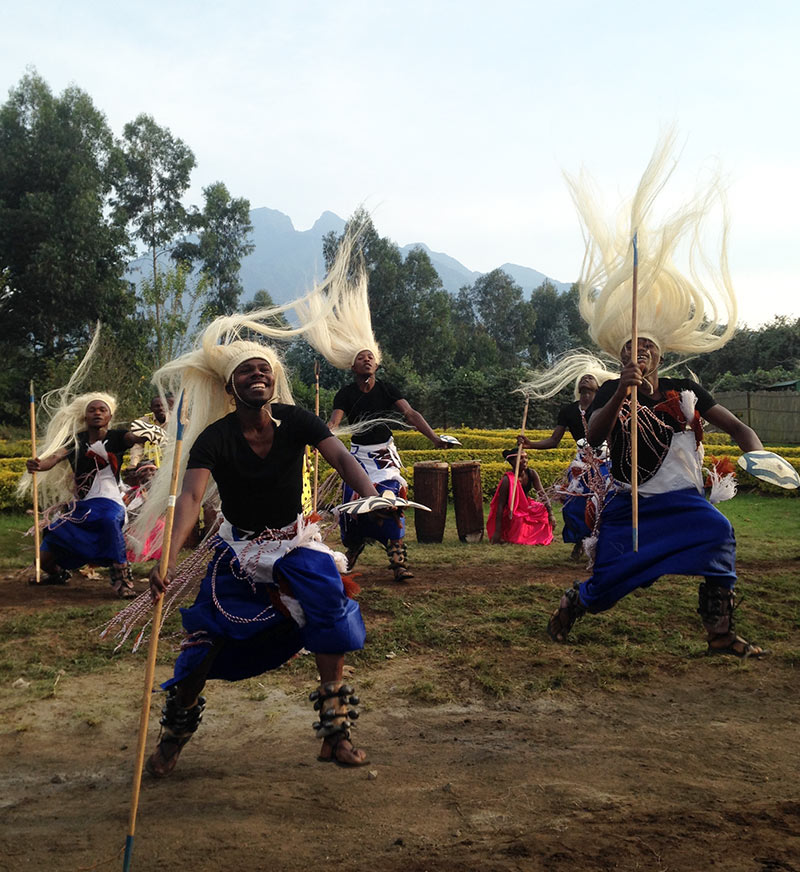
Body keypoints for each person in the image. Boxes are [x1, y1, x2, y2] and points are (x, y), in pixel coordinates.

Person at [110, 241, 390, 777]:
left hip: (294, 542)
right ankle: (173, 737)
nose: (258, 375)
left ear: (272, 380)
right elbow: (191, 498)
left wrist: (370, 493)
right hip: (237, 552)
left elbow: (342, 459)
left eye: (264, 370)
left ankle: (335, 732)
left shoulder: (296, 421)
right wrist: (166, 558)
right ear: (231, 385)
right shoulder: (214, 439)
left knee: (329, 606)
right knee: (203, 647)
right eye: (246, 371)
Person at [545, 130, 768, 658]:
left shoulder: (684, 390)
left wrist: (758, 455)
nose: (638, 356)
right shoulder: (607, 392)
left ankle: (719, 633)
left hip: (684, 502)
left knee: (719, 538)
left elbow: (736, 428)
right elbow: (596, 440)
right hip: (632, 501)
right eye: (630, 350)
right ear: (619, 356)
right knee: (615, 582)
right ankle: (576, 603)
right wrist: (620, 394)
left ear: (660, 357)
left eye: (646, 350)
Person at [293, 234, 451, 582]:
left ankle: (398, 560)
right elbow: (333, 424)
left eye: (371, 357)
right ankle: (352, 551)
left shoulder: (388, 389)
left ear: (376, 364)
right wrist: (318, 438)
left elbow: (410, 415)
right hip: (357, 457)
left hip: (384, 457)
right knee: (355, 509)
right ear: (353, 366)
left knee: (389, 500)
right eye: (361, 357)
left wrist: (434, 438)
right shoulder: (346, 394)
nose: (367, 360)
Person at [22, 393, 147, 596]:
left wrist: (145, 434)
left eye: (102, 410)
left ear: (109, 416)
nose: (97, 413)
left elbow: (133, 438)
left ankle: (122, 578)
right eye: (92, 410)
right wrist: (38, 465)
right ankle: (58, 573)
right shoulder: (76, 441)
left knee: (108, 521)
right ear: (85, 417)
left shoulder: (117, 437)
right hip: (82, 506)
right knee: (44, 557)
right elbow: (54, 457)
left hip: (110, 503)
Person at [519, 362, 614, 559]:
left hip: (604, 460)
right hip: (581, 462)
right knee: (573, 503)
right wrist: (530, 444)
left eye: (591, 377)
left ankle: (600, 543)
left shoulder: (606, 407)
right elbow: (554, 440)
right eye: (583, 378)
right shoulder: (568, 411)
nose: (586, 379)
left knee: (603, 502)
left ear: (598, 386)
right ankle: (579, 541)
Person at [487, 447, 554, 545]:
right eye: (521, 458)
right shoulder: (507, 480)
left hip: (526, 505)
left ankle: (543, 536)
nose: (525, 461)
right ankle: (521, 538)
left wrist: (551, 514)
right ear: (512, 462)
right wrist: (497, 532)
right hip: (511, 510)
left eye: (526, 457)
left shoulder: (531, 473)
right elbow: (500, 506)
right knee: (518, 518)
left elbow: (542, 494)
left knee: (542, 510)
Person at [127, 394, 172, 468]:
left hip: (171, 463)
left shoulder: (177, 421)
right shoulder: (144, 422)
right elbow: (138, 445)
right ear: (151, 409)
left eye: (163, 405)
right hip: (149, 464)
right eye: (157, 406)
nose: (161, 408)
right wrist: (133, 464)